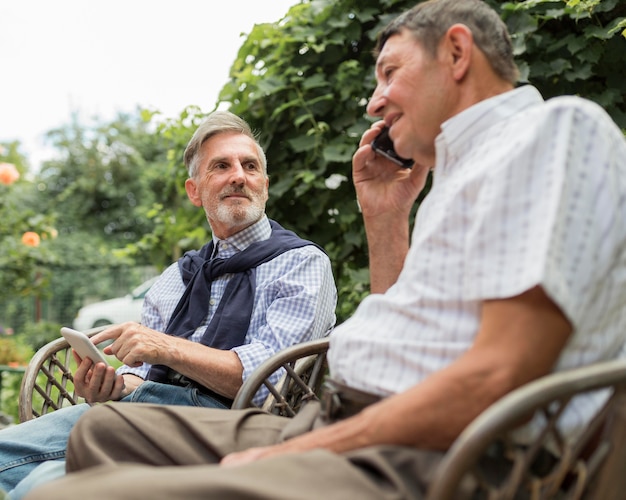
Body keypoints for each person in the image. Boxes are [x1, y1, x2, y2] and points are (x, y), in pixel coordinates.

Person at [25, 0, 626, 498]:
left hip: (432, 456)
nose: (374, 102)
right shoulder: (456, 180)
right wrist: (386, 217)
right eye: (219, 168)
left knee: (60, 492)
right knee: (97, 434)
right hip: (350, 422)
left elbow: (498, 375)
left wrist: (311, 445)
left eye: (390, 73)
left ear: (458, 53)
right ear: (193, 190)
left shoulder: (554, 132)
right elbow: (407, 330)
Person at [0, 111, 336, 498]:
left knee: (37, 485)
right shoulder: (177, 277)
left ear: (265, 185)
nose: (239, 176)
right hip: (136, 410)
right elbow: (143, 376)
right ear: (195, 191)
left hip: (222, 425)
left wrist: (166, 347)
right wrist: (113, 384)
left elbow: (268, 382)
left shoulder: (301, 263)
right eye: (221, 166)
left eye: (250, 166)